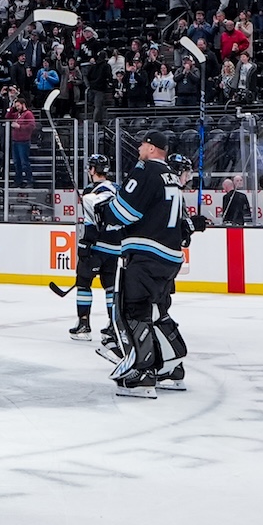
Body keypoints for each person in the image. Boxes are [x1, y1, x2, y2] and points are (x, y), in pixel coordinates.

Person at [96, 129, 190, 398]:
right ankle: (171, 366)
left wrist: (103, 210)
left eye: (142, 144)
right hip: (169, 256)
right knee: (158, 312)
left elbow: (125, 212)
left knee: (133, 312)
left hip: (146, 254)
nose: (138, 148)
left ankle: (142, 373)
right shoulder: (172, 175)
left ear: (151, 148)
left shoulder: (145, 170)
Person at [67, 154, 119, 342]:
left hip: (96, 247)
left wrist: (85, 244)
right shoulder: (116, 188)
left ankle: (83, 324)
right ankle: (114, 326)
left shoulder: (90, 194)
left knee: (83, 282)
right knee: (111, 287)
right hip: (115, 248)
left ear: (91, 170)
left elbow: (91, 224)